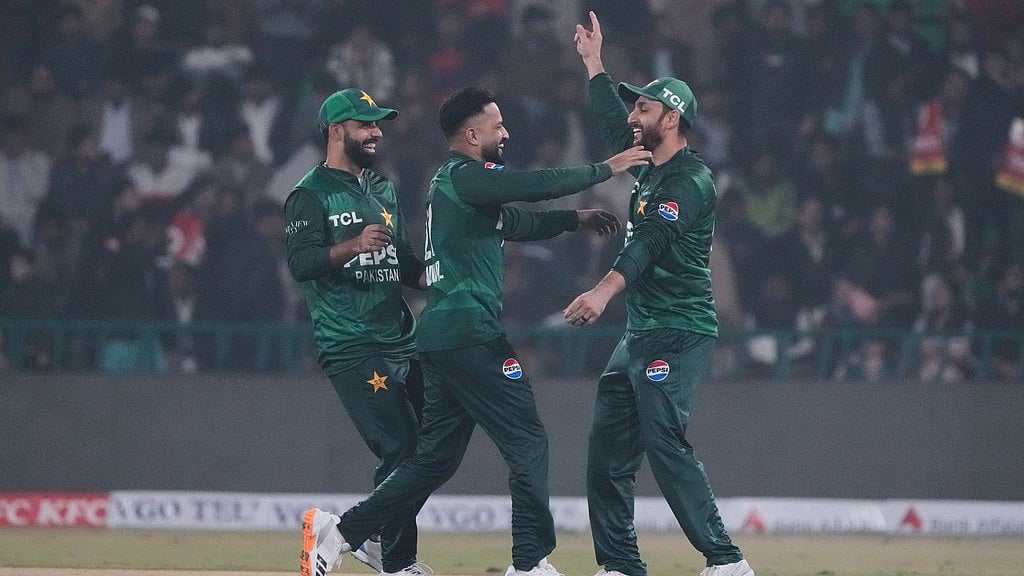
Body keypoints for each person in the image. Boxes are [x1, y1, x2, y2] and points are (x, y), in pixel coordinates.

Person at [301, 86, 652, 576]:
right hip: (470, 333)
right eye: (497, 124)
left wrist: (573, 219)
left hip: (441, 336)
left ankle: (342, 534)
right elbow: (535, 184)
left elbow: (511, 222)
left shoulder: (454, 185)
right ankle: (528, 563)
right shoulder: (468, 175)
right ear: (471, 134)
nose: (506, 132)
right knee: (528, 441)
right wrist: (605, 168)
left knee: (432, 460)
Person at [563, 12, 755, 576]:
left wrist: (602, 291)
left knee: (664, 442)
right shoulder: (648, 165)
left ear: (672, 118)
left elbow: (647, 243)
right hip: (642, 333)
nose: (632, 116)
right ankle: (620, 565)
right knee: (606, 454)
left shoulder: (688, 182)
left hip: (680, 330)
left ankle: (726, 562)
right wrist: (595, 64)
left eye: (643, 108)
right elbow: (608, 125)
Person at [286, 88, 428, 576]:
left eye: (377, 124)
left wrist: (443, 275)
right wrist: (352, 245)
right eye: (366, 125)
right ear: (336, 130)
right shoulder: (309, 193)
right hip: (351, 342)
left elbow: (404, 262)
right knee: (402, 446)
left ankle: (376, 545)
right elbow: (301, 263)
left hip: (402, 339)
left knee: (427, 449)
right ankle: (393, 558)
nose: (377, 132)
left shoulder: (383, 189)